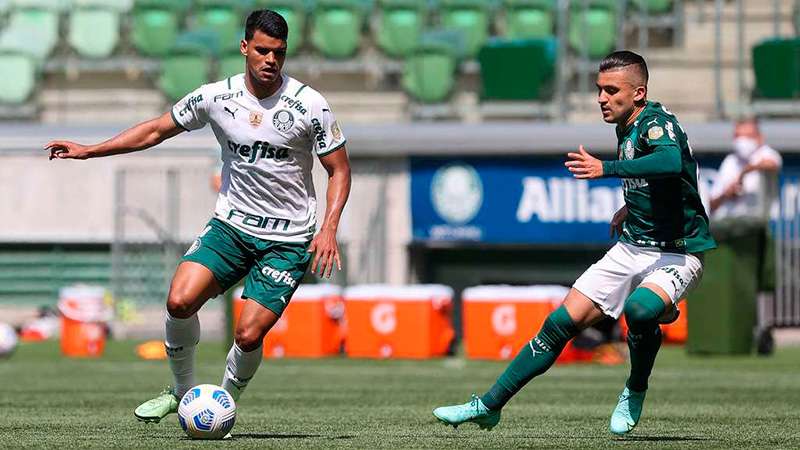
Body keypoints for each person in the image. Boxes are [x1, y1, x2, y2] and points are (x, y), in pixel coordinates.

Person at [45, 10, 351, 424]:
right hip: (231, 226)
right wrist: (89, 150)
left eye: (278, 53)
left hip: (289, 238)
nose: (270, 60)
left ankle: (222, 405)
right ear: (244, 47)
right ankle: (182, 393)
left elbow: (339, 169)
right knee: (179, 300)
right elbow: (155, 130)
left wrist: (328, 229)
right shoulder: (215, 97)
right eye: (262, 50)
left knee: (248, 334)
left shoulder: (309, 105)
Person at [432, 50, 716, 436]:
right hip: (632, 246)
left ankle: (635, 388)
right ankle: (488, 405)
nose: (601, 98)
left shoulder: (657, 123)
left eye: (611, 90)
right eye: (599, 90)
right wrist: (629, 208)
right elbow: (662, 183)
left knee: (640, 310)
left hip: (678, 251)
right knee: (558, 324)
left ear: (638, 93)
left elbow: (668, 164)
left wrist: (606, 169)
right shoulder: (626, 124)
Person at [709, 118, 782, 221]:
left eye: (747, 136)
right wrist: (726, 194)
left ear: (759, 138)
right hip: (731, 223)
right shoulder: (730, 161)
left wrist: (743, 173)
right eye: (738, 136)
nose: (742, 141)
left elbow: (772, 164)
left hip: (760, 222)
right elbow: (712, 204)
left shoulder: (766, 153)